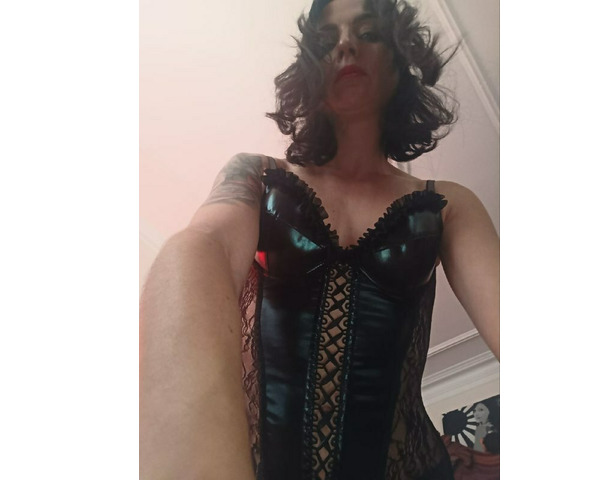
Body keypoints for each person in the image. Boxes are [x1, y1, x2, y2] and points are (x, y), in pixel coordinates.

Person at [140, 0, 499, 478]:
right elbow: (203, 248)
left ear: (400, 62)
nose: (346, 45)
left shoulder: (449, 205)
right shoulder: (257, 178)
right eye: (327, 41)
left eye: (368, 33)